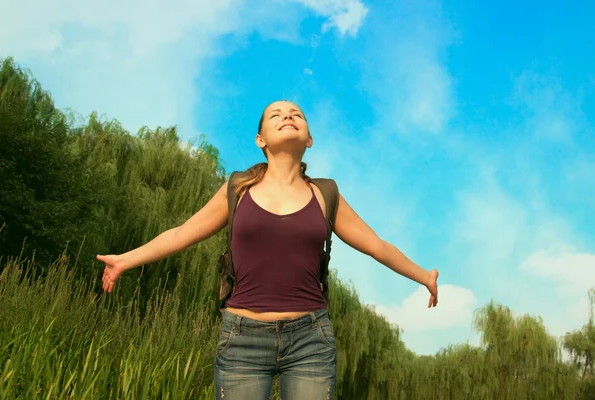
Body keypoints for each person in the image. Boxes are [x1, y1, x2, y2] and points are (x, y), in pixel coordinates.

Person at [97, 100, 439, 399]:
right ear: (261, 140)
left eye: (297, 115)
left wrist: (424, 275)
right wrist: (125, 260)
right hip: (241, 339)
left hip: (311, 339)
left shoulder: (325, 194)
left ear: (309, 139)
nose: (287, 117)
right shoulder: (238, 189)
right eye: (276, 114)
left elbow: (376, 246)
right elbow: (184, 232)